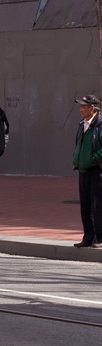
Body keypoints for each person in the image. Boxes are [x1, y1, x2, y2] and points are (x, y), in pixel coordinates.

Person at [72, 95, 102, 248]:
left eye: (83, 106)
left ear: (92, 108)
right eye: (80, 106)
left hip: (96, 171)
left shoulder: (100, 124)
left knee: (98, 206)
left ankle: (100, 238)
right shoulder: (82, 124)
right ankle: (88, 237)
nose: (80, 109)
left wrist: (94, 158)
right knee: (85, 206)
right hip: (83, 171)